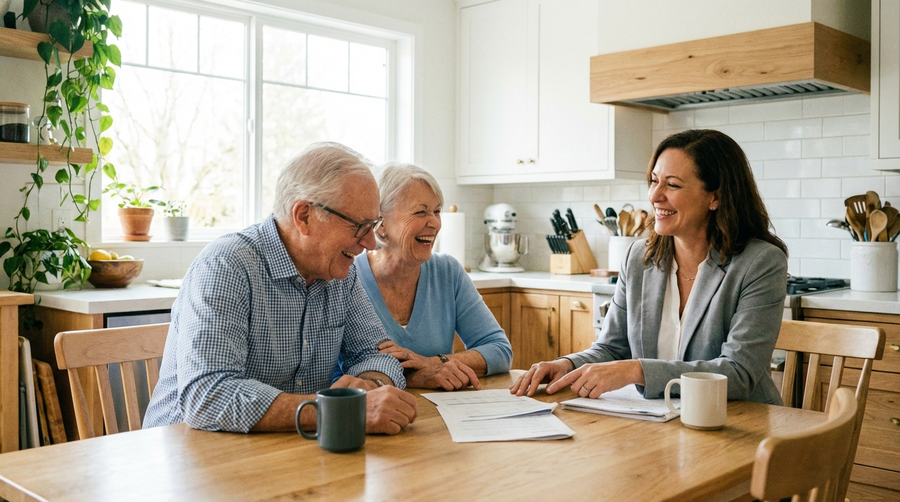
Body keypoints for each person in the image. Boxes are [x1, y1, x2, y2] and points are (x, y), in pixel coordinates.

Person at [144, 142, 418, 435]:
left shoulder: (340, 273)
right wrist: (339, 410)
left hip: (283, 451)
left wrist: (371, 384)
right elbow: (207, 397)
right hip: (186, 455)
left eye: (373, 224)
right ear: (304, 216)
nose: (370, 243)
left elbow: (379, 354)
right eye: (360, 226)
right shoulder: (226, 266)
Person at [511, 129, 788, 404]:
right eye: (654, 181)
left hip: (741, 424)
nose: (655, 196)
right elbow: (612, 348)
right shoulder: (638, 258)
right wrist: (567, 366)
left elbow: (737, 373)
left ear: (715, 197)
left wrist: (637, 370)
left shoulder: (761, 262)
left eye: (673, 185)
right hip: (664, 421)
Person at [335, 162, 512, 390]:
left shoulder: (447, 272)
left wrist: (430, 363)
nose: (435, 223)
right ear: (380, 225)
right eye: (420, 212)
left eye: (437, 211)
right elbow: (337, 374)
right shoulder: (346, 275)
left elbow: (499, 349)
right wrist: (413, 375)